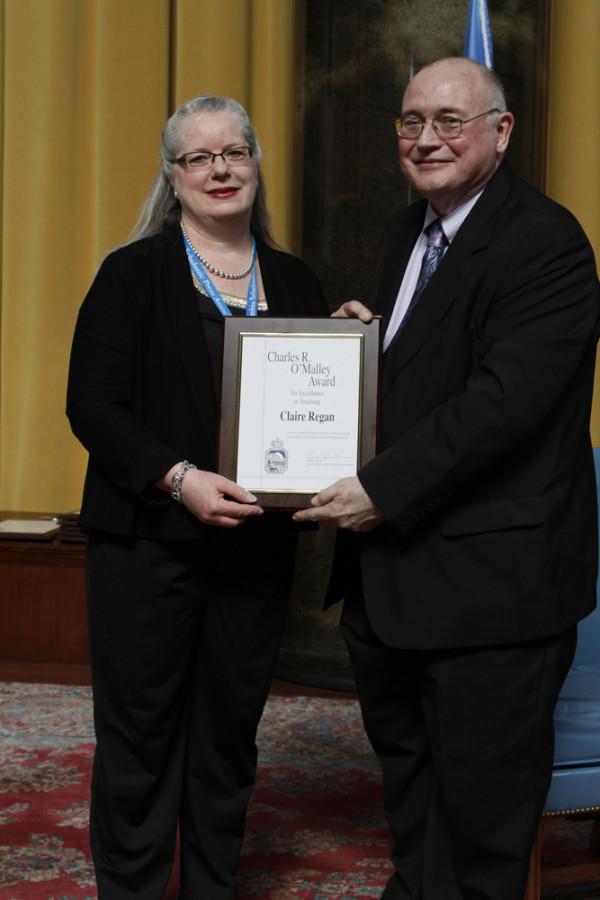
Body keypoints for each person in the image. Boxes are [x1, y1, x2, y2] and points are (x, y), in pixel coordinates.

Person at [294, 57, 600, 899]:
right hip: (394, 590)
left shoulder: (548, 243)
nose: (425, 139)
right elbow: (434, 361)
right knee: (417, 806)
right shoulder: (407, 234)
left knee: (483, 830)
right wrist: (363, 350)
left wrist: (382, 489)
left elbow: (504, 404)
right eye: (410, 121)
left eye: (450, 121)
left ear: (501, 131)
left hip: (491, 598)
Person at [67, 95, 327, 899]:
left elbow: (322, 402)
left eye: (235, 152)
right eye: (198, 157)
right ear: (172, 177)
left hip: (253, 550)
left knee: (227, 736)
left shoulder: (294, 280)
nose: (220, 169)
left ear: (255, 164)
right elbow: (92, 405)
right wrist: (178, 479)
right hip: (146, 542)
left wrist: (355, 347)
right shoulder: (132, 271)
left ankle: (213, 887)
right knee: (140, 737)